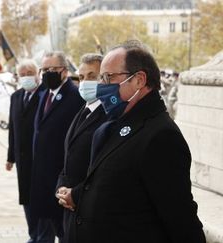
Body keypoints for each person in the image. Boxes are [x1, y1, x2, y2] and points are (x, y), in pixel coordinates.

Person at [73, 41, 206, 242]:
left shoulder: (161, 136)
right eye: (101, 78)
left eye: (108, 77)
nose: (101, 86)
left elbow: (179, 217)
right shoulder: (115, 123)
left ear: (139, 80)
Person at [31, 51, 84, 242]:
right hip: (43, 177)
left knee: (64, 232)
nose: (47, 73)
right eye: (44, 69)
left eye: (52, 69)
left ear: (64, 71)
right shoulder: (45, 94)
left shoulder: (75, 96)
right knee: (49, 227)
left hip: (62, 177)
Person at [55, 53, 107, 243]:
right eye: (82, 77)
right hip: (70, 209)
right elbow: (69, 155)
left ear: (105, 78)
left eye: (92, 76)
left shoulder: (109, 115)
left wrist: (75, 194)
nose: (85, 83)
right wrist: (60, 186)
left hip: (88, 212)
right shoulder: (83, 110)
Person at [6, 59, 45, 242]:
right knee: (26, 198)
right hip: (22, 159)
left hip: (40, 157)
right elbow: (13, 129)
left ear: (38, 75)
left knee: (41, 198)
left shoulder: (45, 95)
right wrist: (10, 157)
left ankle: (41, 236)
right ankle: (32, 234)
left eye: (30, 73)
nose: (26, 77)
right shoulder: (16, 97)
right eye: (22, 74)